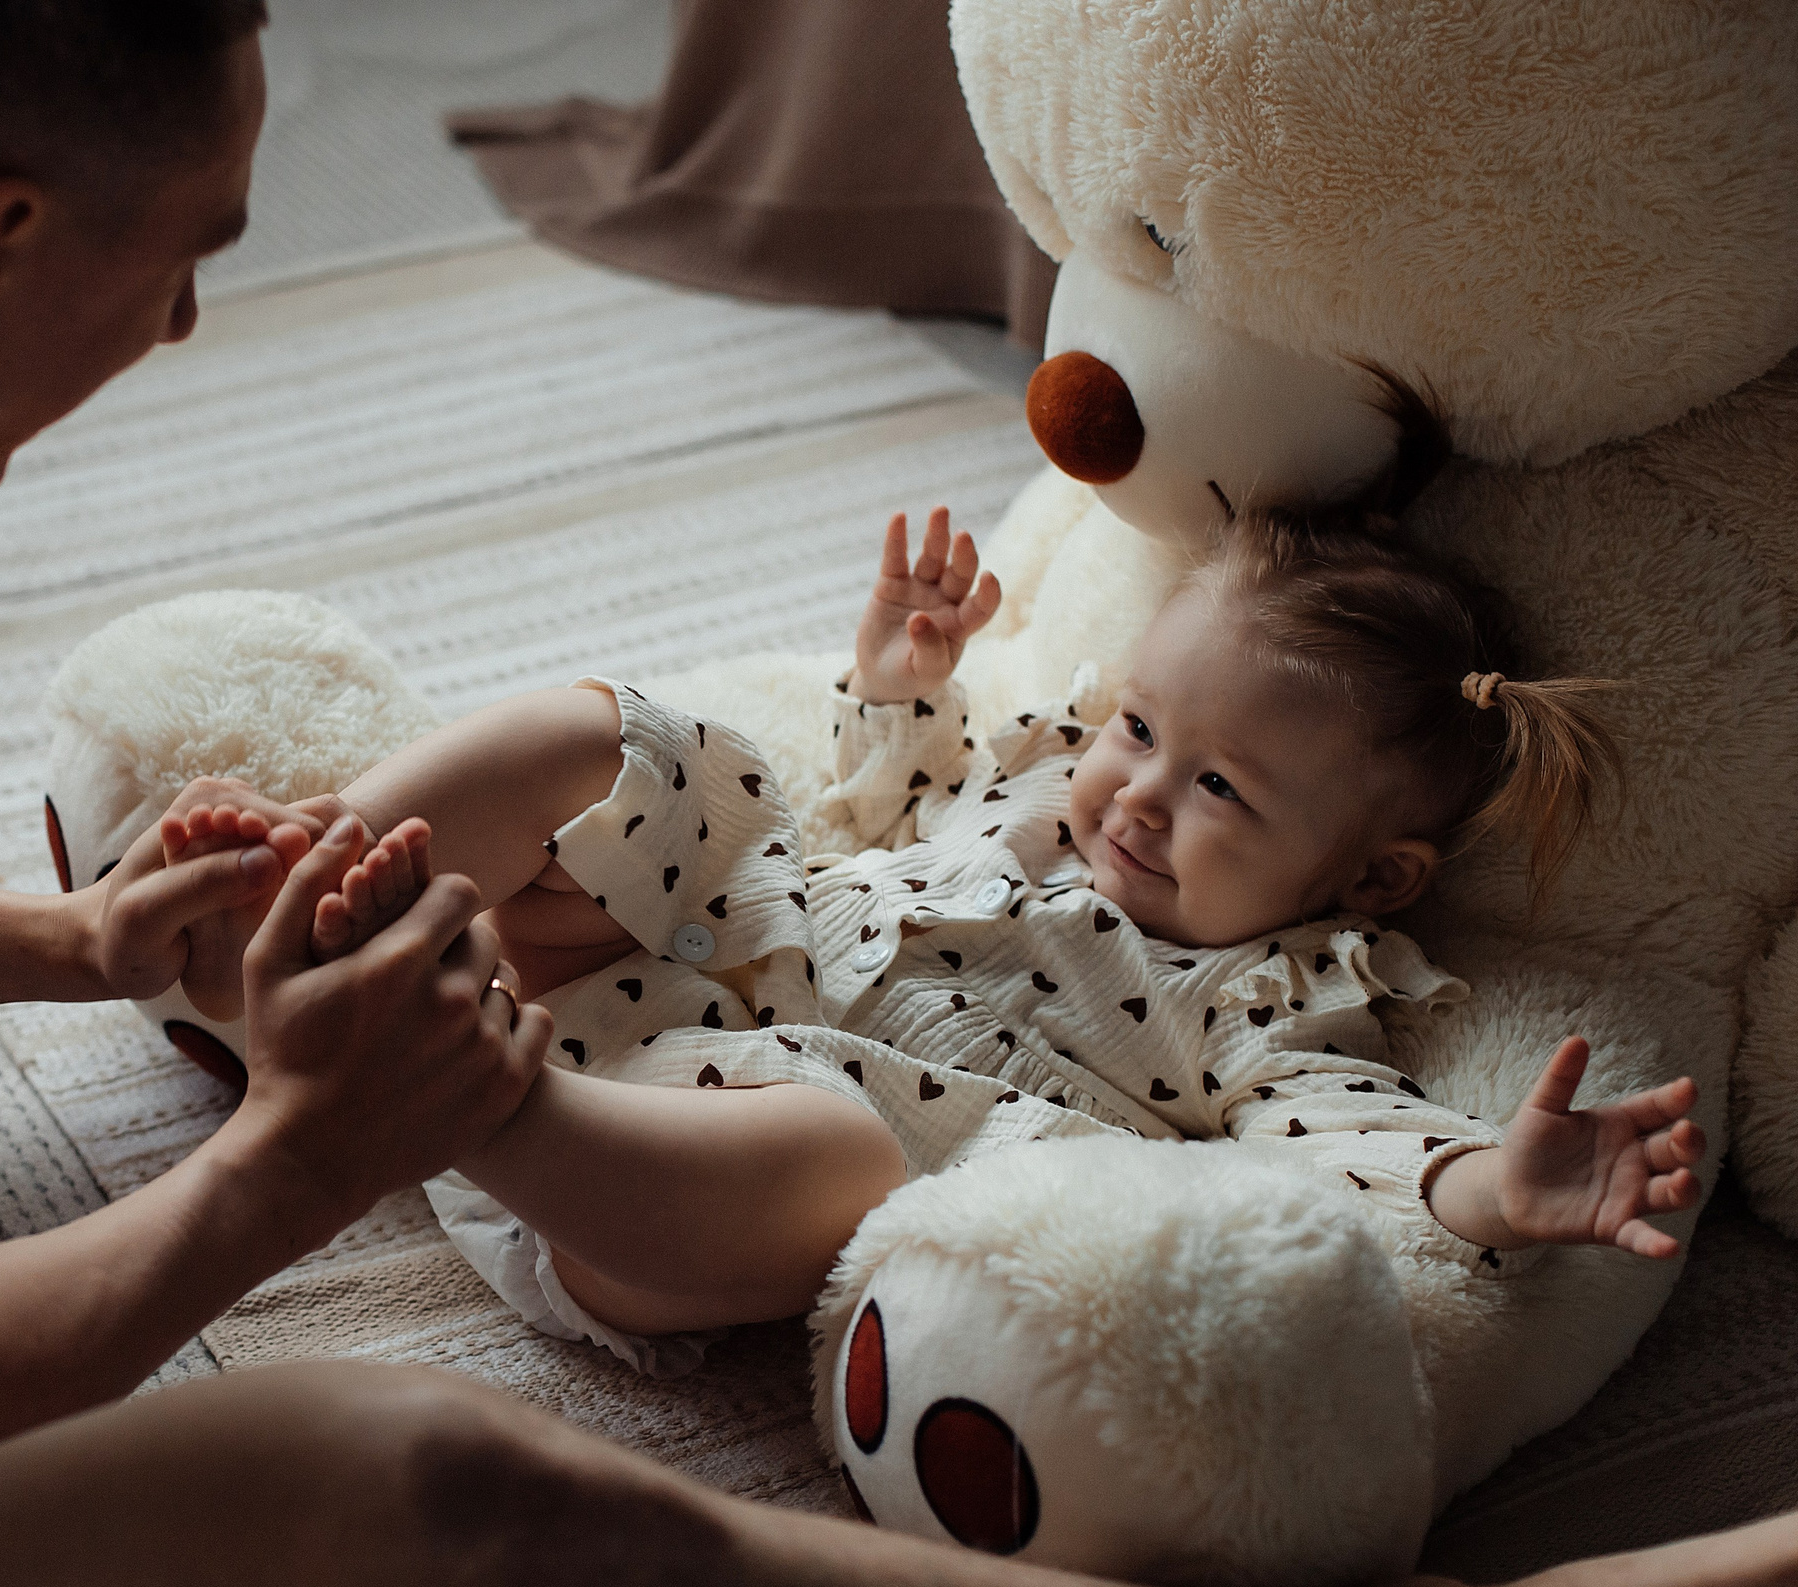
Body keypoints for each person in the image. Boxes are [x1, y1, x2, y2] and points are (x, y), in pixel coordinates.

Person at [0, 3, 1791, 1587]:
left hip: (864, 1092)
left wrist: (51, 941)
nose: (182, 338)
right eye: (183, 262)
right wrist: (298, 1160)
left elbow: (1359, 1140)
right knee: (418, 1488)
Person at [140, 506, 1703, 1382]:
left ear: (1370, 881)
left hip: (649, 1160)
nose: (1140, 799)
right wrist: (903, 687)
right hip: (642, 960)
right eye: (1140, 730)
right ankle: (295, 906)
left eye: (1219, 789)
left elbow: (1346, 1143)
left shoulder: (1275, 999)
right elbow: (889, 812)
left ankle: (447, 1085)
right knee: (649, 745)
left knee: (841, 1167)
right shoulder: (1047, 787)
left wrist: (1498, 1184)